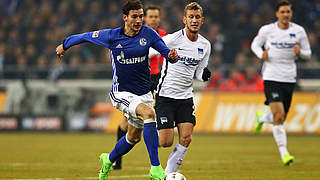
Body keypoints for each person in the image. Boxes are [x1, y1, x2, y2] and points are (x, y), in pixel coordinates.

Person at [55, 0, 178, 179]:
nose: (138, 20)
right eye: (134, 17)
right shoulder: (112, 36)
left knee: (133, 137)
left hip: (143, 94)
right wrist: (65, 44)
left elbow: (166, 52)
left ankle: (108, 159)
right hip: (122, 93)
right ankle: (155, 168)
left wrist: (172, 56)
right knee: (150, 114)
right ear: (125, 18)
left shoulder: (148, 34)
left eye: (140, 16)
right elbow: (85, 36)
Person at [150, 2, 211, 173]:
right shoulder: (172, 39)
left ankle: (168, 175)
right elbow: (149, 51)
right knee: (165, 142)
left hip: (185, 97)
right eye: (191, 17)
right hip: (166, 96)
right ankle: (150, 129)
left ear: (202, 20)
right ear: (184, 19)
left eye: (197, 17)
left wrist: (203, 76)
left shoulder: (205, 45)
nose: (194, 20)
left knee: (186, 138)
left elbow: (199, 72)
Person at [251, 0, 311, 166]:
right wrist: (261, 53)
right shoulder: (267, 30)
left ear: (291, 14)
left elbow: (308, 53)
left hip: (289, 77)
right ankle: (285, 154)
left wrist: (301, 53)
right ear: (277, 14)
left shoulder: (299, 31)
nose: (286, 15)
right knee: (278, 116)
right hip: (271, 76)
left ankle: (262, 118)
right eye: (282, 12)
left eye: (288, 12)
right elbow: (254, 44)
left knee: (281, 117)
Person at [112, 5, 167, 170]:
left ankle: (155, 148)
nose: (154, 19)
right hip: (136, 80)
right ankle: (117, 159)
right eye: (151, 17)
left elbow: (167, 52)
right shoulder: (135, 33)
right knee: (127, 122)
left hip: (156, 78)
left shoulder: (163, 35)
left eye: (156, 17)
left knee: (152, 114)